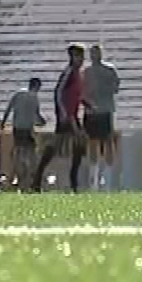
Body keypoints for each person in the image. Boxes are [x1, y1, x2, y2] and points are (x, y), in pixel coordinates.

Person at [36, 44, 88, 192]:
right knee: (68, 143)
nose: (82, 59)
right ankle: (70, 183)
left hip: (73, 114)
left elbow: (76, 94)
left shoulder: (78, 73)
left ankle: (71, 182)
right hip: (67, 115)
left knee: (73, 144)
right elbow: (58, 92)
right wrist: (63, 114)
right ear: (73, 57)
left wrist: (87, 104)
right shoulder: (69, 72)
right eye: (80, 56)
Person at [82, 45, 121, 189]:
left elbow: (116, 88)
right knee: (92, 142)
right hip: (91, 111)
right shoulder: (86, 71)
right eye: (92, 53)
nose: (94, 55)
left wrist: (103, 89)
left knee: (108, 141)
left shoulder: (109, 69)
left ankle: (108, 176)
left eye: (97, 52)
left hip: (105, 109)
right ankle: (94, 176)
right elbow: (82, 91)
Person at [0, 77, 45, 189]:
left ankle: (19, 178)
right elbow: (37, 115)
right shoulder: (34, 98)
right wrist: (42, 122)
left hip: (17, 128)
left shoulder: (18, 94)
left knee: (19, 152)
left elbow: (8, 109)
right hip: (27, 129)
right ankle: (30, 177)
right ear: (37, 87)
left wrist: (3, 122)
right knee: (30, 152)